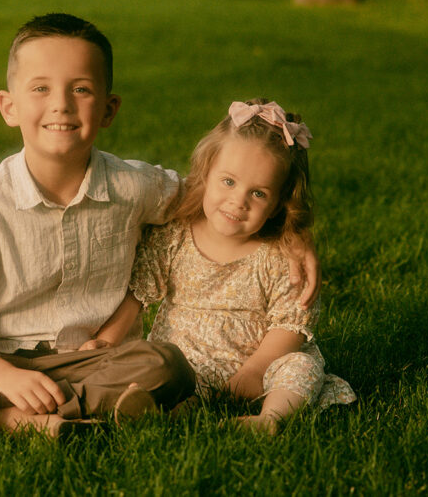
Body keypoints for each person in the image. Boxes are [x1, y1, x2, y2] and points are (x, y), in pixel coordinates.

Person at [0, 16, 320, 440]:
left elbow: (218, 202)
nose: (60, 104)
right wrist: (6, 376)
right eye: (40, 88)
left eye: (80, 89)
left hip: (95, 361)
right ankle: (14, 418)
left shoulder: (134, 185)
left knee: (166, 365)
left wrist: (290, 236)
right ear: (9, 106)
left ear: (108, 108)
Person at [88, 99, 356, 432]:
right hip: (187, 358)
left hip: (262, 360)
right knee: (164, 375)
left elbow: (290, 325)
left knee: (300, 366)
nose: (238, 202)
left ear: (277, 205)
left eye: (258, 194)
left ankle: (268, 419)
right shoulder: (175, 235)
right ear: (204, 174)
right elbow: (138, 295)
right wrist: (107, 342)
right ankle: (156, 414)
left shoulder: (281, 256)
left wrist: (255, 370)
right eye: (228, 182)